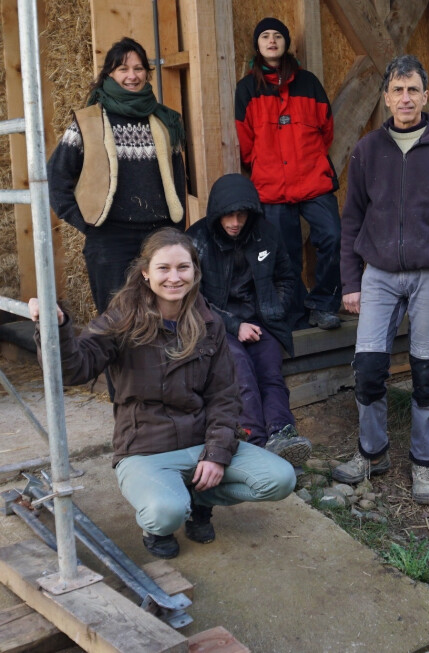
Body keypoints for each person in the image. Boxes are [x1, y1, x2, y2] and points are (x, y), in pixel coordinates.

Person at [30, 229, 296, 559]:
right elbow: (73, 370)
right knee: (167, 511)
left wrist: (216, 453)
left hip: (199, 441)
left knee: (280, 479)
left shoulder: (208, 323)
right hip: (145, 448)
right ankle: (160, 524)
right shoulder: (121, 321)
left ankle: (199, 499)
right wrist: (56, 328)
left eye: (183, 267)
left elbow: (224, 396)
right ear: (145, 273)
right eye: (163, 268)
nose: (174, 277)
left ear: (195, 272)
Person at [335, 55, 429, 505]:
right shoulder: (367, 150)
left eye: (413, 89)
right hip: (377, 274)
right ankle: (372, 455)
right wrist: (350, 282)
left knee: (425, 371)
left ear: (426, 96)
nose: (405, 98)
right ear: (385, 98)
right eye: (397, 90)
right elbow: (351, 218)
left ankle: (425, 465)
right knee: (369, 369)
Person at [48, 37, 186, 315]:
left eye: (138, 68)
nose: (132, 76)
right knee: (117, 318)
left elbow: (178, 178)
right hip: (111, 238)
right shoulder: (88, 122)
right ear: (109, 74)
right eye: (123, 69)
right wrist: (87, 224)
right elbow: (56, 176)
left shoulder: (163, 121)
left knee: (165, 315)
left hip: (158, 235)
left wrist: (177, 230)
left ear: (147, 73)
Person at [187, 174, 312, 466]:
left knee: (270, 369)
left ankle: (282, 434)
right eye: (228, 215)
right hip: (215, 324)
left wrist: (273, 310)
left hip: (259, 322)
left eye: (241, 214)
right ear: (217, 213)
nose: (235, 222)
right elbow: (193, 297)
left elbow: (286, 276)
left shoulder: (266, 233)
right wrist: (233, 326)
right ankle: (253, 440)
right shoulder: (197, 240)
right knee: (239, 368)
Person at [235, 17, 342, 331]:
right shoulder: (247, 88)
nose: (271, 41)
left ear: (285, 44)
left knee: (333, 238)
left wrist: (307, 158)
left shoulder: (308, 82)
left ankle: (323, 305)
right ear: (257, 44)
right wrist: (265, 162)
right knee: (284, 253)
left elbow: (326, 129)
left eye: (277, 36)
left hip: (313, 180)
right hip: (271, 185)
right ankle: (295, 313)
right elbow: (245, 142)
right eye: (265, 36)